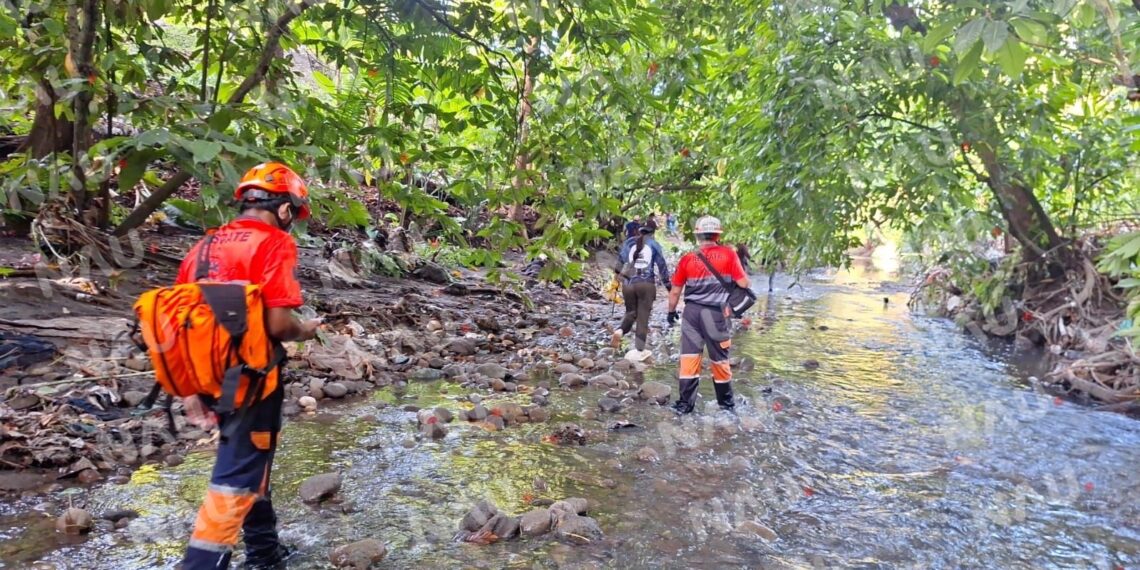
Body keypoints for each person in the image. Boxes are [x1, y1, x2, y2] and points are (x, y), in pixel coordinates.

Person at [178, 162, 322, 570]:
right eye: (293, 214)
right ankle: (201, 564)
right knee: (237, 474)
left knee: (249, 460)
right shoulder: (274, 243)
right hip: (251, 380)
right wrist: (304, 330)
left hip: (206, 375)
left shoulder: (203, 247)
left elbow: (181, 320)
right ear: (284, 209)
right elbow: (278, 325)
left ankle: (264, 552)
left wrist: (188, 389)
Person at [665, 215, 750, 413]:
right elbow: (744, 283)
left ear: (698, 236)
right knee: (719, 359)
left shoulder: (687, 258)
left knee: (689, 358)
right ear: (717, 235)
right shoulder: (729, 255)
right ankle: (726, 406)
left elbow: (675, 292)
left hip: (692, 314)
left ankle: (685, 406)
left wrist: (671, 312)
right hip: (717, 314)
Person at [612, 219, 671, 358]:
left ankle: (620, 331)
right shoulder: (654, 244)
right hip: (646, 284)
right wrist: (668, 286)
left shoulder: (629, 242)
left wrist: (618, 278)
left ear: (639, 230)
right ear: (653, 232)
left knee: (631, 313)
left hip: (628, 284)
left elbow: (618, 266)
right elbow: (662, 266)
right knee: (642, 317)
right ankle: (639, 351)